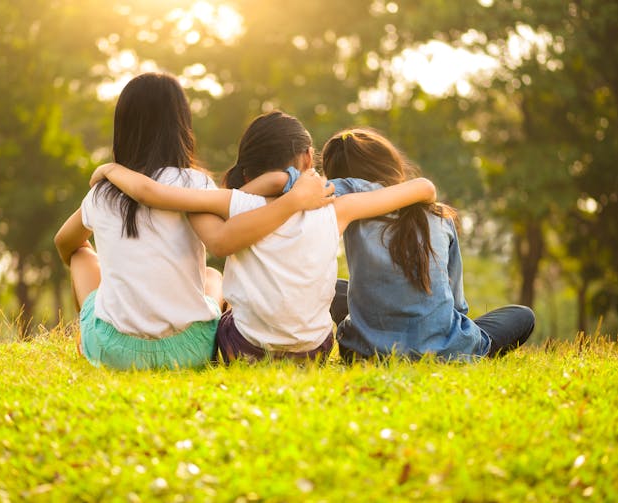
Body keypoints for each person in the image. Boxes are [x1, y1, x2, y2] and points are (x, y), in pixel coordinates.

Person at [93, 111, 437, 362]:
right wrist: (312, 191)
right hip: (313, 352)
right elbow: (424, 187)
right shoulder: (338, 209)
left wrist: (110, 169)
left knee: (220, 302)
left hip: (245, 349)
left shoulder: (232, 203)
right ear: (306, 159)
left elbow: (150, 193)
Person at [53, 73, 334, 371]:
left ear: (121, 128)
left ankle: (90, 339)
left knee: (82, 254)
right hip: (190, 351)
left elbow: (65, 242)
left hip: (117, 353)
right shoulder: (195, 183)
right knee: (212, 278)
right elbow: (230, 213)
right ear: (181, 126)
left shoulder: (104, 191)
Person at [318, 127, 535, 361]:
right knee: (522, 316)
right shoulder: (439, 216)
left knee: (332, 288)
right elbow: (458, 304)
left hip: (366, 350)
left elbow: (319, 191)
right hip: (444, 348)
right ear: (390, 163)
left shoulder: (351, 206)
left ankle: (386, 332)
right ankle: (456, 347)